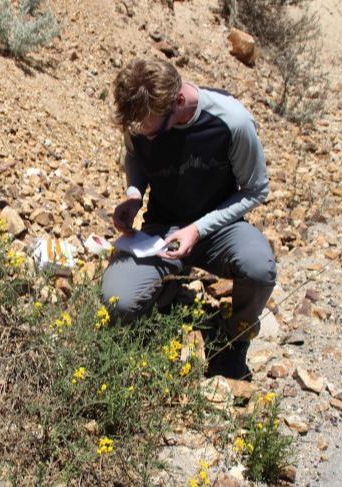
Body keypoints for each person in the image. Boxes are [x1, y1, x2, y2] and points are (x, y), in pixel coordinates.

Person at [101, 57, 277, 381]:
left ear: (178, 102)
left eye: (152, 132)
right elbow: (134, 155)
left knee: (260, 268)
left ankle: (233, 341)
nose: (145, 137)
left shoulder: (231, 119)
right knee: (117, 303)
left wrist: (198, 230)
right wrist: (134, 195)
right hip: (162, 229)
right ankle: (168, 292)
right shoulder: (144, 120)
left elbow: (256, 189)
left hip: (219, 227)